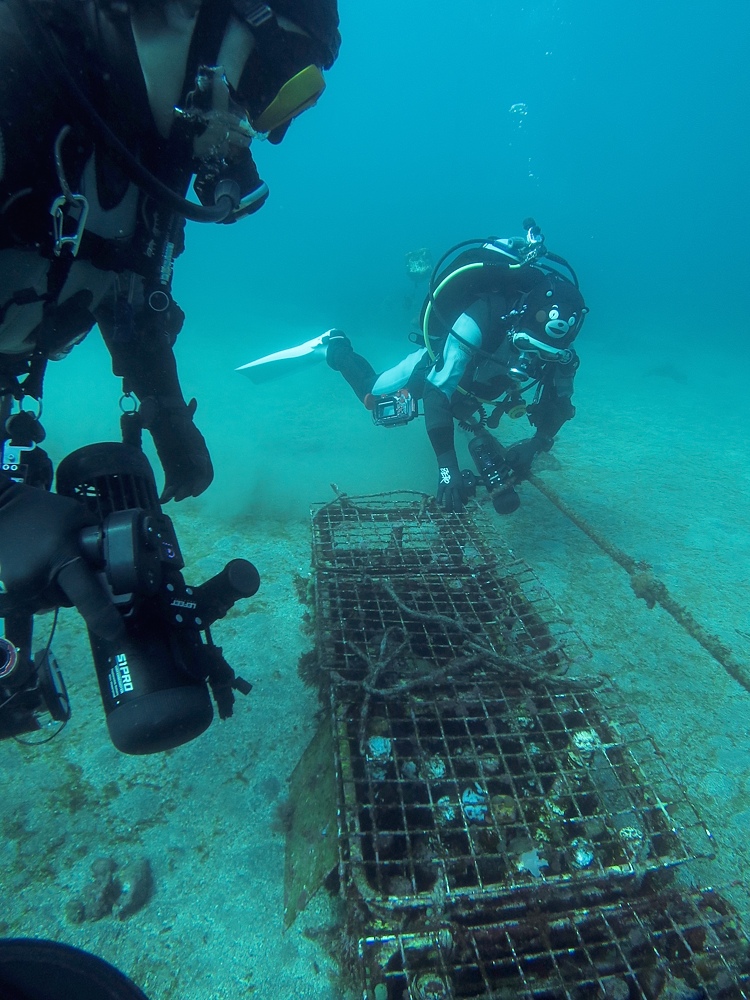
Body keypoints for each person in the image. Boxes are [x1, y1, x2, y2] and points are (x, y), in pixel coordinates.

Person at [0, 0, 341, 639]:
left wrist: (165, 410)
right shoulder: (14, 64)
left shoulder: (145, 157)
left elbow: (131, 294)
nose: (263, 129)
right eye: (278, 81)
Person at [324, 221, 587, 513]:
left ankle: (463, 415)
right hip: (438, 367)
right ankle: (335, 345)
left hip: (480, 385)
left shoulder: (561, 350)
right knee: (372, 393)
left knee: (461, 406)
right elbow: (437, 390)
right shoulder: (483, 316)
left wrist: (537, 443)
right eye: (526, 346)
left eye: (546, 354)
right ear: (519, 319)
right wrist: (447, 468)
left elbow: (561, 402)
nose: (530, 359)